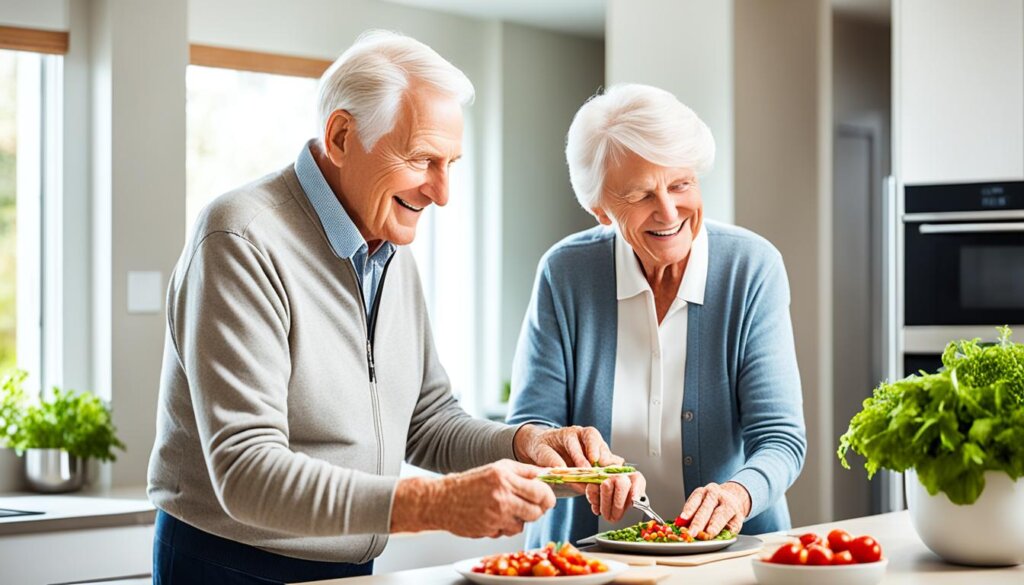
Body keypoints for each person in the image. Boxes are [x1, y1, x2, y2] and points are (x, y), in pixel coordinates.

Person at [147, 31, 629, 585]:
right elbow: (246, 471)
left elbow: (427, 422)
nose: (442, 193)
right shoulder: (241, 240)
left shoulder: (388, 249)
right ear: (342, 135)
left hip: (353, 568)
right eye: (423, 159)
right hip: (231, 565)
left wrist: (525, 444)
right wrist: (436, 503)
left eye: (451, 163)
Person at [507, 83, 807, 547]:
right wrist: (579, 470)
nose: (669, 211)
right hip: (586, 562)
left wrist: (737, 495)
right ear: (601, 209)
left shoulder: (751, 268)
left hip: (725, 560)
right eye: (641, 195)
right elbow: (531, 430)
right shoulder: (565, 273)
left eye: (680, 184)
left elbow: (781, 438)